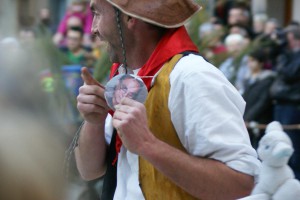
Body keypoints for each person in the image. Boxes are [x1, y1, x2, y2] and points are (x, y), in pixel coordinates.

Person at [75, 0, 260, 199]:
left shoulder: (192, 76)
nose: (93, 29)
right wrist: (95, 119)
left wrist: (147, 144)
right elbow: (89, 171)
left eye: (98, 14)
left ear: (129, 17)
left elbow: (241, 183)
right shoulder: (124, 76)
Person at [270, 25, 300, 180]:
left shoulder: (296, 55)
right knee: (278, 140)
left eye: (286, 38)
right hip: (281, 103)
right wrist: (280, 48)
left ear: (293, 38)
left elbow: (290, 73)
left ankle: (295, 180)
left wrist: (283, 54)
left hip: (292, 106)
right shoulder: (288, 53)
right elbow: (270, 56)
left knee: (291, 144)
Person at [242, 49, 275, 148]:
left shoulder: (267, 78)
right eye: (248, 61)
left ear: (260, 62)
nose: (250, 64)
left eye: (253, 61)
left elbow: (263, 101)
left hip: (260, 119)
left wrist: (249, 117)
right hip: (246, 118)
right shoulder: (247, 78)